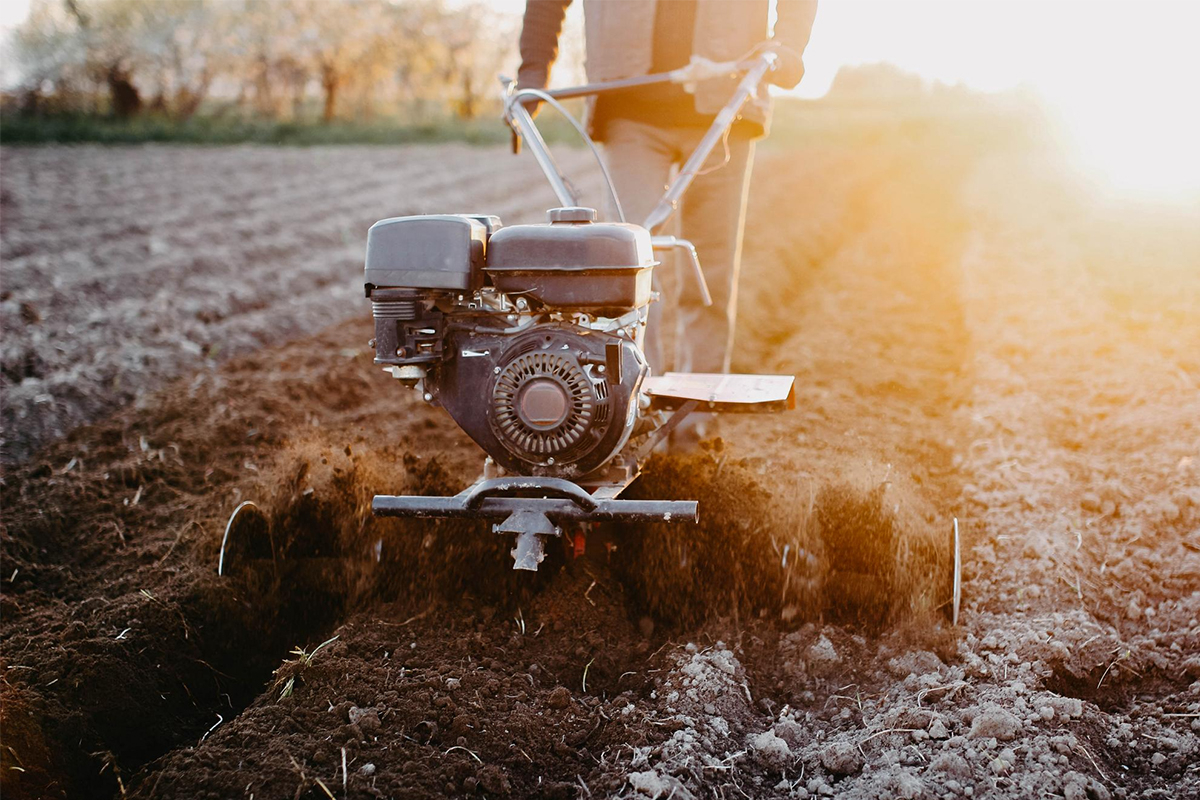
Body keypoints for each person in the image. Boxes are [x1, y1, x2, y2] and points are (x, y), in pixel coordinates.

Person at [516, 0, 818, 384]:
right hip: (630, 106)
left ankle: (700, 407)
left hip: (728, 103)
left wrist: (787, 46)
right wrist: (533, 70)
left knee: (711, 269)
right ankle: (637, 403)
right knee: (628, 268)